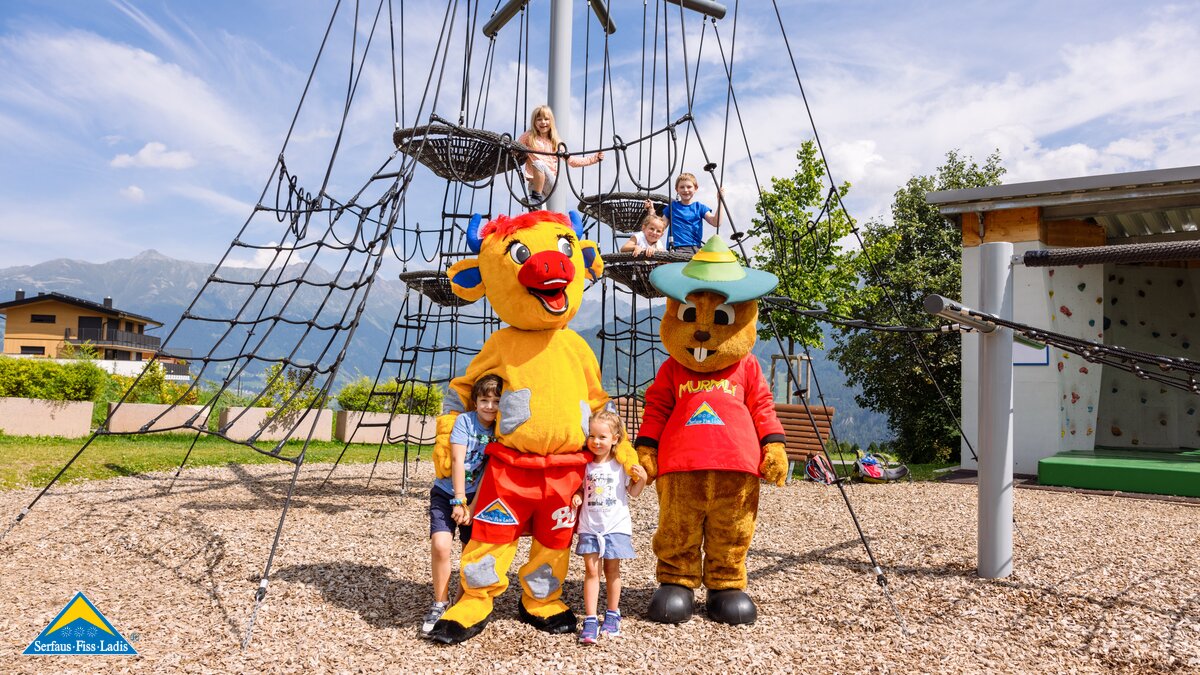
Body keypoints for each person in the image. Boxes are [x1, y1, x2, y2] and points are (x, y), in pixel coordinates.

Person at [422, 374, 502, 637]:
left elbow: (488, 472)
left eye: (495, 401)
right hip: (448, 493)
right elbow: (458, 461)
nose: (489, 406)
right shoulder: (464, 422)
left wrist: (473, 506)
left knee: (470, 553)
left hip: (474, 498)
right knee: (441, 545)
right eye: (484, 400)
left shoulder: (499, 432)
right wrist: (459, 500)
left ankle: (458, 604)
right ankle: (440, 602)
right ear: (475, 401)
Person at [572, 410, 648, 645]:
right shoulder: (584, 465)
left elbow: (632, 493)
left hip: (615, 526)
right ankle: (591, 618)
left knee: (612, 571)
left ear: (615, 438)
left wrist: (643, 479)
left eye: (602, 437)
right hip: (590, 526)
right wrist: (576, 495)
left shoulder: (620, 465)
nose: (596, 441)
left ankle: (613, 613)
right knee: (591, 571)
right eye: (592, 436)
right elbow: (580, 489)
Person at [518, 105, 604, 206]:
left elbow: (572, 161)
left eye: (546, 119)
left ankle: (536, 198)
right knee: (536, 213)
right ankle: (536, 202)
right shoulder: (528, 136)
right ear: (534, 122)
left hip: (550, 181)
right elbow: (516, 149)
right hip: (534, 182)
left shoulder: (555, 141)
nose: (543, 122)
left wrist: (595, 158)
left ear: (551, 121)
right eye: (539, 119)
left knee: (538, 164)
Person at [644, 173, 724, 253]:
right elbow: (659, 226)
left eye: (689, 187)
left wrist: (720, 201)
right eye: (682, 187)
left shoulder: (699, 207)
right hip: (675, 248)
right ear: (677, 190)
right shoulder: (673, 207)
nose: (685, 190)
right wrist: (651, 210)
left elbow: (716, 222)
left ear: (695, 188)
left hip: (694, 248)